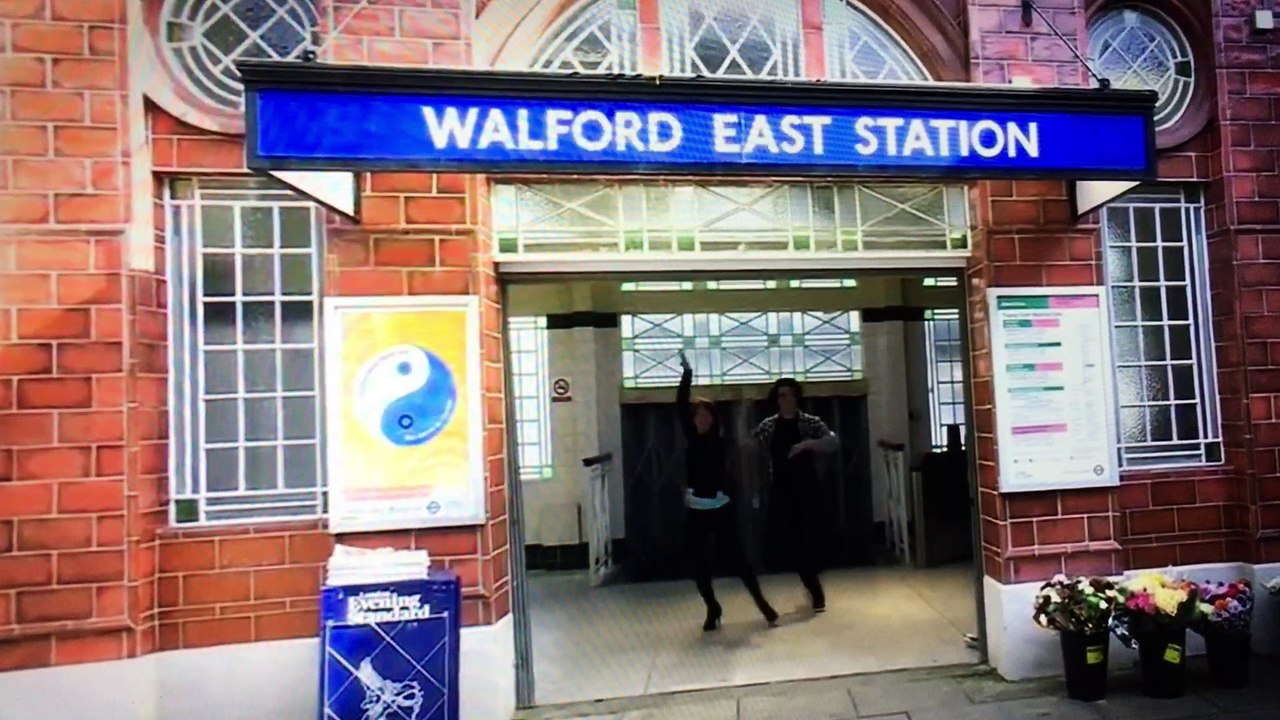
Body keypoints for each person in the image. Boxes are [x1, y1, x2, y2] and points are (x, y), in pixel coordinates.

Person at [676, 351, 779, 632]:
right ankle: (712, 607)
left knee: (737, 559)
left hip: (720, 506)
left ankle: (762, 603)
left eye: (706, 414)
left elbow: (729, 474)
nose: (701, 418)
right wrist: (687, 374)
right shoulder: (691, 438)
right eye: (698, 414)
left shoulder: (720, 442)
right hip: (696, 507)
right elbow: (680, 405)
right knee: (698, 564)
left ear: (713, 418)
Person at [752, 378, 839, 613]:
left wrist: (806, 445)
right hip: (781, 489)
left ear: (796, 397)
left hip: (807, 488)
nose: (784, 400)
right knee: (791, 541)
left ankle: (814, 588)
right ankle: (812, 583)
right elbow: (754, 451)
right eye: (780, 396)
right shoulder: (768, 426)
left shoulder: (810, 422)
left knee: (808, 540)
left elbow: (832, 442)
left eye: (788, 395)